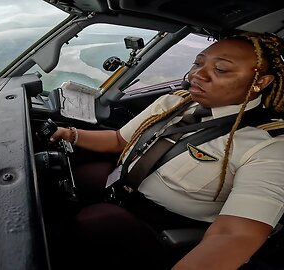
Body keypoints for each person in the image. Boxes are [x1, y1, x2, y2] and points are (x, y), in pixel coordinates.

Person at [49, 32, 284, 269]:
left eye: (220, 70)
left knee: (94, 222)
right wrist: (69, 134)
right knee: (68, 175)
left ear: (261, 82)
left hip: (163, 223)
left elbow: (236, 234)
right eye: (198, 63)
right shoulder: (173, 103)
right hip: (123, 187)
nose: (196, 75)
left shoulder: (269, 144)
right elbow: (119, 141)